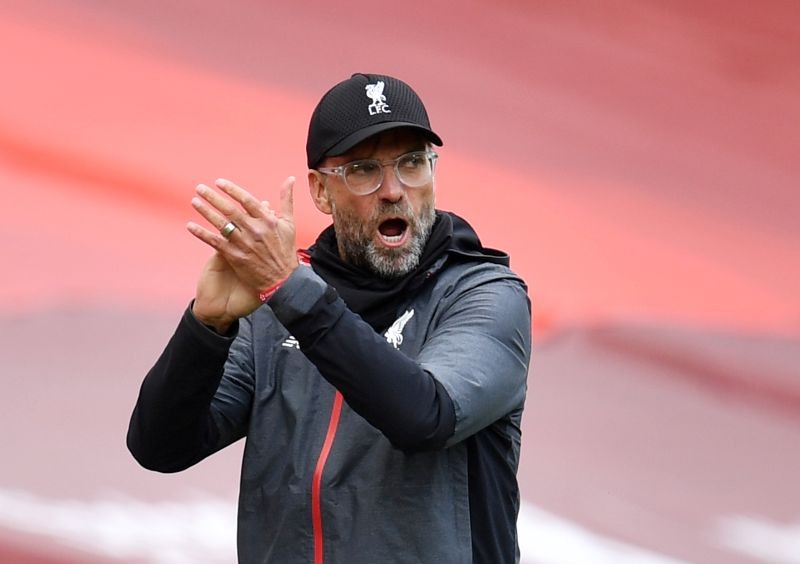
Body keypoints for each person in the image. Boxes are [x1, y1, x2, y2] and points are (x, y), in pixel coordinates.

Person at [127, 73, 532, 563]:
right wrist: (205, 328)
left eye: (412, 163)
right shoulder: (276, 307)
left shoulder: (484, 296)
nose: (393, 190)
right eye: (363, 170)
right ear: (321, 192)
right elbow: (160, 448)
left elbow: (425, 418)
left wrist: (292, 291)